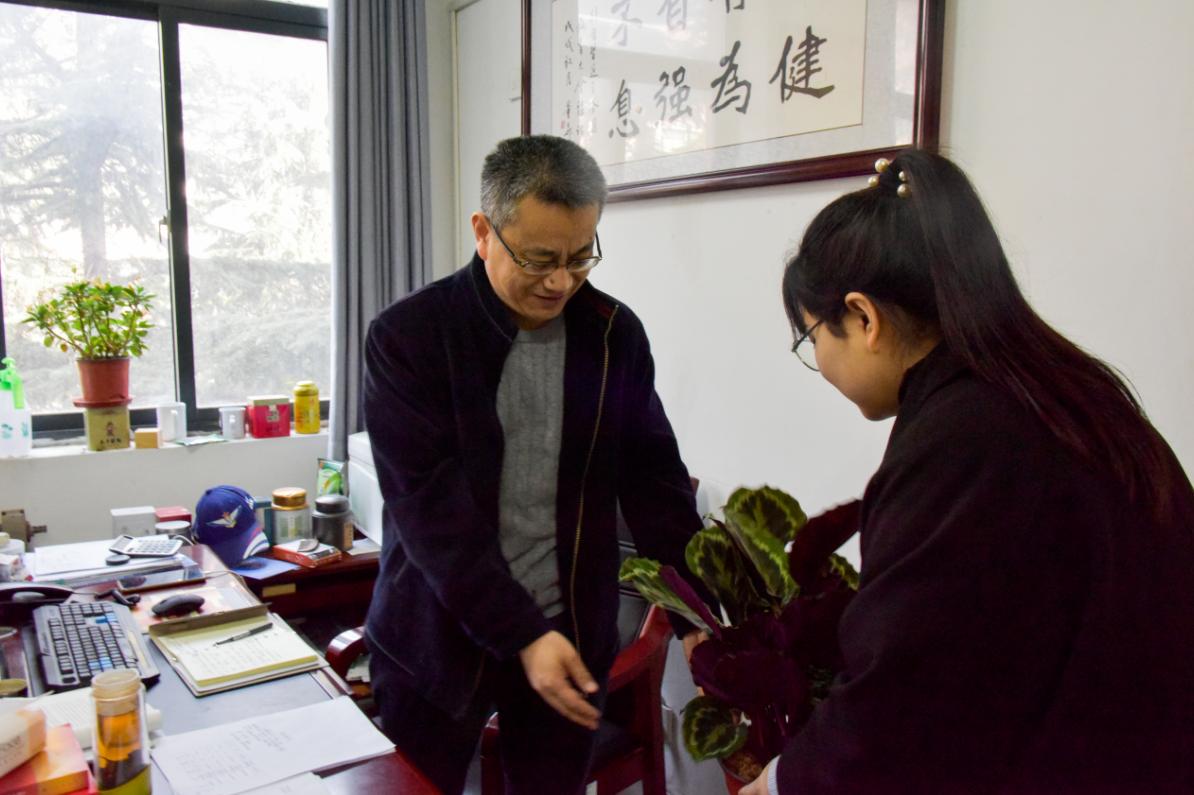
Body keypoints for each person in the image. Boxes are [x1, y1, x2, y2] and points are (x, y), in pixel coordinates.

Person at [744, 150, 1194, 794]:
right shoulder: (1062, 390)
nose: (817, 357)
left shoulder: (963, 445)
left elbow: (903, 699)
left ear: (864, 318)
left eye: (812, 336)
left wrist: (783, 780)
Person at [362, 134, 708, 795]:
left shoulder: (612, 335)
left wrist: (699, 617)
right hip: (435, 634)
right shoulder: (408, 338)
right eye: (540, 258)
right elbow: (434, 518)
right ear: (484, 231)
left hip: (568, 633)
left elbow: (656, 486)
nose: (561, 280)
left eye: (581, 256)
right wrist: (520, 633)